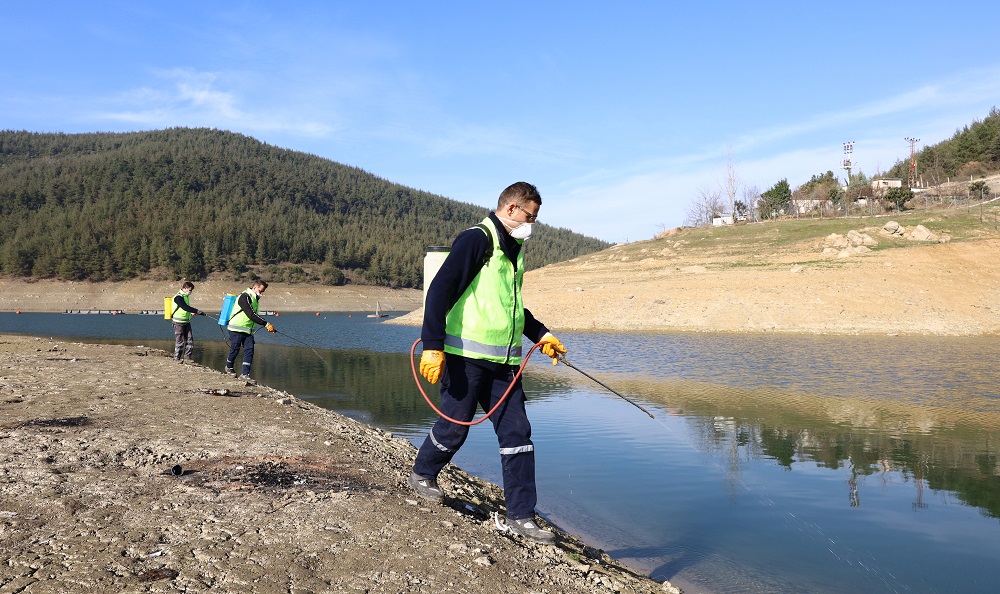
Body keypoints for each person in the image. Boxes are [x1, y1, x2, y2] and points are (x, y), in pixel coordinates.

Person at [409, 181, 567, 544]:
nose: (533, 223)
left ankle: (521, 516)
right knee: (455, 427)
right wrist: (432, 346)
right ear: (511, 209)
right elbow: (439, 291)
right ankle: (422, 472)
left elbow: (509, 306)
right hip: (466, 358)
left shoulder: (514, 249)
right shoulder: (477, 239)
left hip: (505, 364)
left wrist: (541, 335)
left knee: (518, 436)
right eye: (531, 216)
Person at [224, 280, 276, 382]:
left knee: (250, 350)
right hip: (236, 328)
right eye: (261, 291)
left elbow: (254, 315)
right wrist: (266, 324)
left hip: (248, 331)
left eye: (263, 292)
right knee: (235, 349)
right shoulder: (245, 297)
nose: (261, 293)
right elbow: (251, 314)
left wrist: (266, 325)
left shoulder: (255, 299)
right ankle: (229, 367)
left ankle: (245, 374)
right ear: (255, 287)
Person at [169, 281, 206, 362]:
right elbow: (184, 307)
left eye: (191, 290)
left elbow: (186, 309)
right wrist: (197, 311)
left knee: (190, 340)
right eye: (190, 290)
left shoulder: (185, 296)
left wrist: (191, 312)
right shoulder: (178, 297)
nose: (190, 291)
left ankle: (187, 357)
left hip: (186, 321)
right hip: (178, 322)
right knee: (180, 341)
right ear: (185, 288)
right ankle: (177, 358)